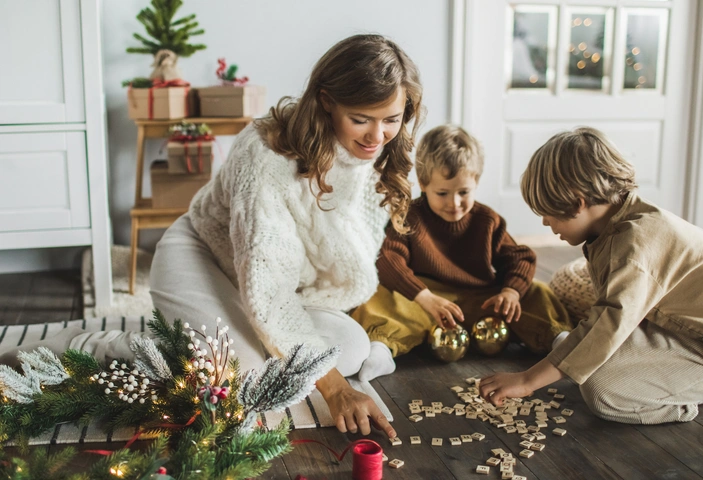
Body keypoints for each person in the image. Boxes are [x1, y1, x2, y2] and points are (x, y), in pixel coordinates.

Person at [2, 34, 424, 439]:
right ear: (328, 101)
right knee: (238, 378)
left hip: (273, 285)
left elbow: (337, 258)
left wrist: (324, 366)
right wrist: (333, 389)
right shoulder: (267, 154)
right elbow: (268, 286)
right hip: (202, 257)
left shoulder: (377, 155)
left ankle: (187, 340)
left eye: (391, 119)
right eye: (361, 120)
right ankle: (97, 344)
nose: (377, 137)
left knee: (348, 348)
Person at [479, 126, 703, 424]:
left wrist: (528, 380)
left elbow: (607, 324)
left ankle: (683, 400)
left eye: (548, 212)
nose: (545, 221)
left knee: (603, 393)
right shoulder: (618, 224)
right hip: (680, 332)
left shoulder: (636, 245)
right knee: (572, 350)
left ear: (577, 202)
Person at [351, 125, 572, 382]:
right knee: (378, 297)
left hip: (481, 300)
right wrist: (424, 297)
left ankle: (559, 340)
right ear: (423, 184)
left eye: (464, 192)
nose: (454, 203)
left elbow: (519, 258)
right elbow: (388, 260)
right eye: (442, 193)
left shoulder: (487, 220)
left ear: (476, 181)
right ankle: (382, 350)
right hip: (426, 300)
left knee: (537, 292)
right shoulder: (409, 217)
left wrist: (510, 292)